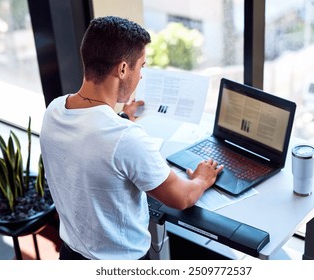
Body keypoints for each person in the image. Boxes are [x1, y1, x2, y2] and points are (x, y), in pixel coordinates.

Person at [40, 16, 223, 260]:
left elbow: (91, 140)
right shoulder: (126, 139)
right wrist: (202, 178)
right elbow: (181, 197)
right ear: (123, 69)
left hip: (71, 253)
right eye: (142, 66)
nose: (141, 76)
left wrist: (123, 115)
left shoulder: (55, 110)